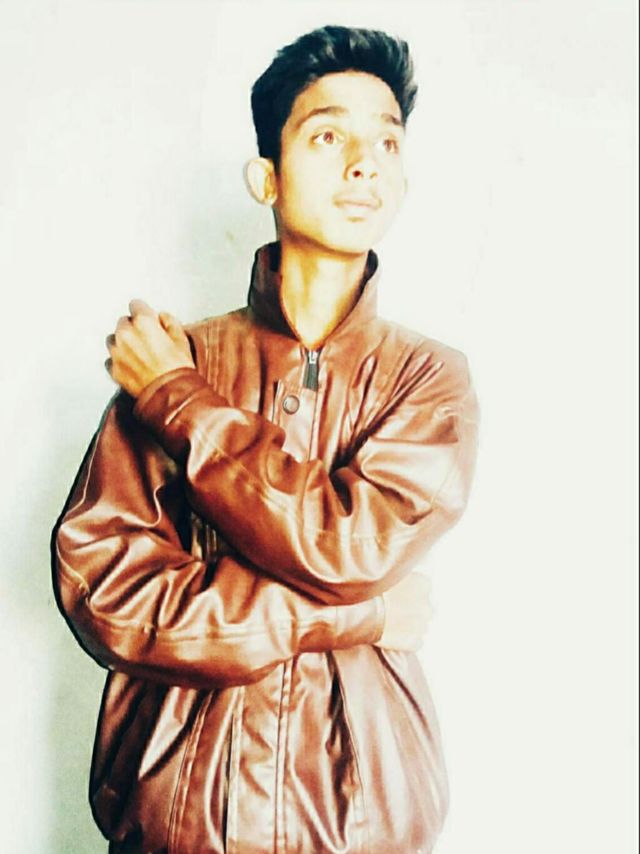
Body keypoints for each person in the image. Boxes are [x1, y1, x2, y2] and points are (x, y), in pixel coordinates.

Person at [52, 24, 479, 854]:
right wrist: (359, 618)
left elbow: (346, 548)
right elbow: (110, 594)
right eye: (329, 136)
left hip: (364, 825)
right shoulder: (179, 354)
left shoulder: (430, 379)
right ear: (266, 177)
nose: (365, 163)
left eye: (387, 142)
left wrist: (178, 401)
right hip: (179, 820)